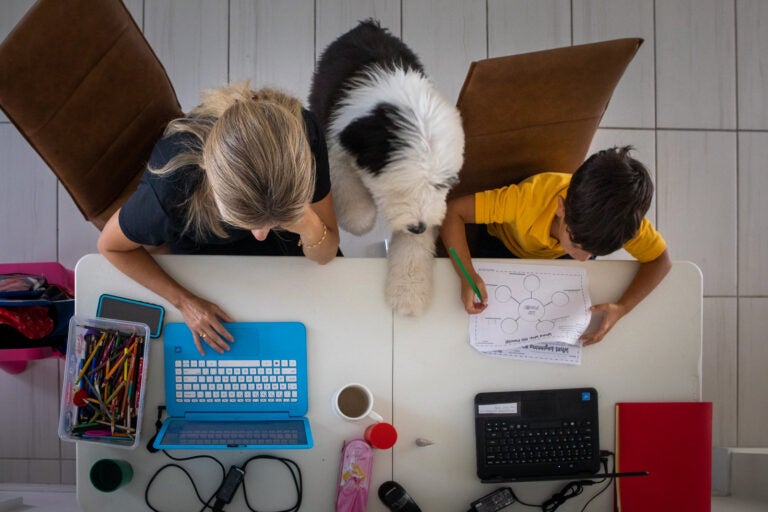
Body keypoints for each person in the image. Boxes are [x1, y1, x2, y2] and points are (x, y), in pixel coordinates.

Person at [98, 82, 340, 355]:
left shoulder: (304, 136)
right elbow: (110, 246)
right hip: (206, 251)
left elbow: (326, 252)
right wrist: (184, 301)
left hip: (283, 251)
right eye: (249, 222)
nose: (261, 235)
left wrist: (305, 220)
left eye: (272, 223)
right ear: (214, 189)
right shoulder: (174, 188)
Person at [439, 146, 671, 345]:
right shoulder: (526, 200)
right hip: (504, 247)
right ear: (561, 208)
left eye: (595, 253)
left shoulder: (619, 223)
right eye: (578, 243)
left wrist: (622, 308)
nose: (584, 259)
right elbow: (452, 213)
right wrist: (466, 274)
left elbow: (660, 260)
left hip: (558, 261)